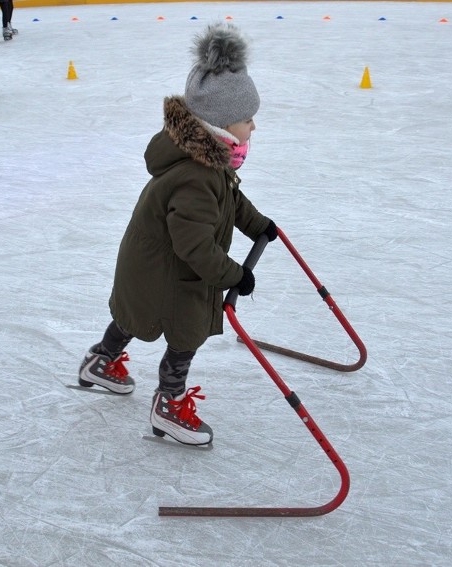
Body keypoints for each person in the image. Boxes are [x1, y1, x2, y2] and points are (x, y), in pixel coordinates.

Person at [77, 23, 276, 447]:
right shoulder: (196, 176)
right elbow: (194, 246)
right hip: (168, 270)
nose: (253, 127)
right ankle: (169, 404)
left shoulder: (208, 163)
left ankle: (101, 360)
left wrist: (258, 225)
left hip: (150, 265)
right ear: (221, 125)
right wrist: (234, 275)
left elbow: (230, 202)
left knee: (134, 315)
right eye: (247, 119)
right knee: (188, 331)